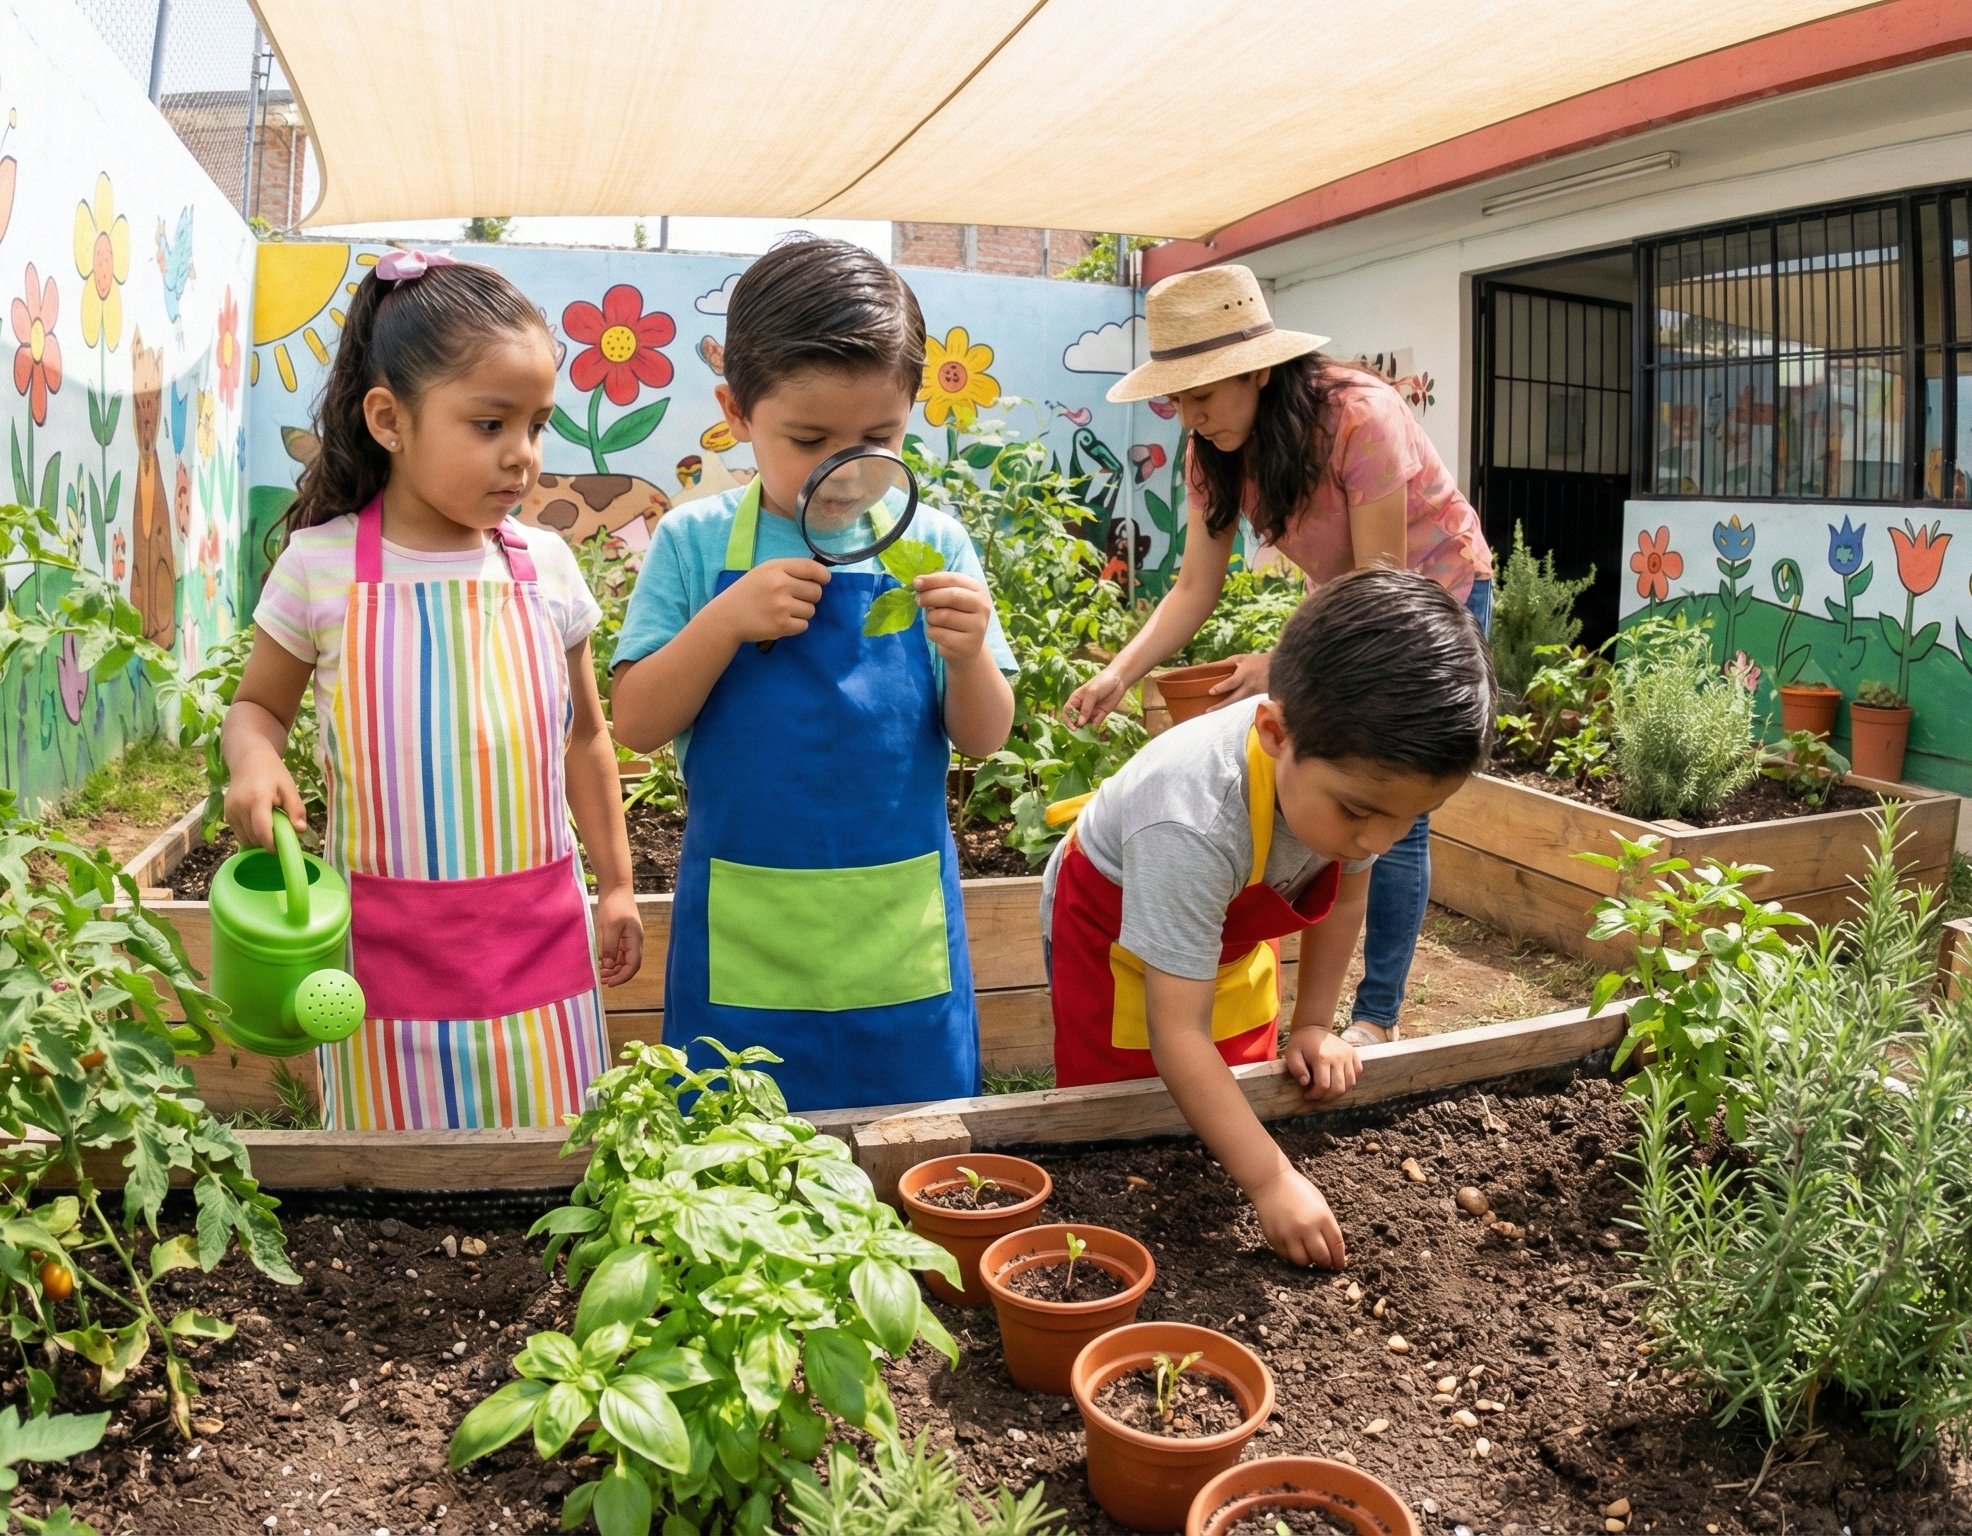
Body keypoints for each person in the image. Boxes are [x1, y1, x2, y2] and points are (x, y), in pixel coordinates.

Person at [223, 249, 643, 1130]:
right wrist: (253, 763)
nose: (521, 456)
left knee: (554, 1170)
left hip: (540, 941)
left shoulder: (548, 567)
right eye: (490, 424)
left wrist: (613, 884)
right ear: (389, 419)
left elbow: (586, 739)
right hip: (384, 953)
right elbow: (258, 707)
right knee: (391, 1196)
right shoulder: (321, 567)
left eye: (536, 426)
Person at [611, 237, 1017, 1112]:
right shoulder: (694, 543)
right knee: (735, 1144)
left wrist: (969, 650)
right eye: (809, 439)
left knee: (915, 1144)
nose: (850, 467)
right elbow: (636, 722)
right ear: (735, 411)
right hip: (746, 930)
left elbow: (983, 736)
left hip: (895, 927)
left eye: (880, 438)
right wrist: (723, 621)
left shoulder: (934, 543)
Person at [1064, 264, 1494, 1042]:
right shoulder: (1212, 456)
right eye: (1178, 397)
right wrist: (1120, 672)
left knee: (1395, 800)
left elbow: (1380, 581)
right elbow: (1194, 587)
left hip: (1430, 597)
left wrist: (1285, 662)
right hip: (1344, 604)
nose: (1190, 416)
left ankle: (1377, 1014)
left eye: (1203, 393)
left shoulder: (1361, 416)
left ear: (1258, 367)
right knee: (1331, 790)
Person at [1044, 567, 1494, 1267]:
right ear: (1274, 732)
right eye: (1359, 813)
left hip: (1222, 930)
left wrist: (1314, 1023)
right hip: (1114, 934)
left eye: (1410, 818)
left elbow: (1344, 897)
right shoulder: (1192, 818)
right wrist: (1271, 1178)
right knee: (1124, 1114)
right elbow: (1174, 1031)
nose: (1378, 840)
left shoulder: (1353, 793)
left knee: (1240, 1071)